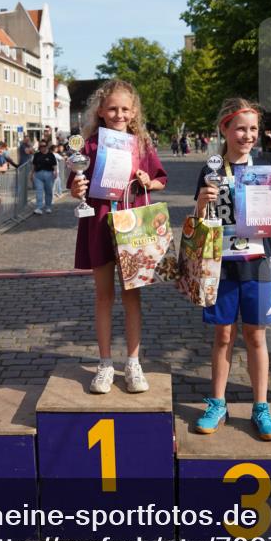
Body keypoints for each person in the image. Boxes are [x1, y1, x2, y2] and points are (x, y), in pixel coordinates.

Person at [193, 98, 271, 439]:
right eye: (240, 128)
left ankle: (261, 407)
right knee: (223, 335)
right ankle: (217, 402)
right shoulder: (210, 170)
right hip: (221, 264)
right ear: (224, 128)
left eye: (253, 128)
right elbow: (200, 223)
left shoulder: (267, 168)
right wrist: (200, 204)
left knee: (255, 335)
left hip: (258, 262)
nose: (248, 135)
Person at [69, 79, 167, 394]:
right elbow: (74, 184)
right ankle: (105, 363)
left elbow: (160, 179)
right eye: (112, 108)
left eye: (125, 109)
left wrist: (147, 181)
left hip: (133, 226)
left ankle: (134, 363)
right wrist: (76, 189)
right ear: (100, 110)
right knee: (103, 297)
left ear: (134, 111)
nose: (119, 114)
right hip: (98, 225)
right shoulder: (89, 145)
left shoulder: (141, 144)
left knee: (132, 297)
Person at [31, 139, 58, 214]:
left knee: (48, 191)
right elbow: (34, 165)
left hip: (49, 174)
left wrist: (56, 172)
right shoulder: (37, 155)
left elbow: (54, 165)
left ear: (47, 146)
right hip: (38, 175)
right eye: (40, 146)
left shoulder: (51, 155)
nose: (42, 147)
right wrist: (31, 174)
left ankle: (48, 207)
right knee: (39, 191)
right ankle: (39, 208)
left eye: (44, 146)